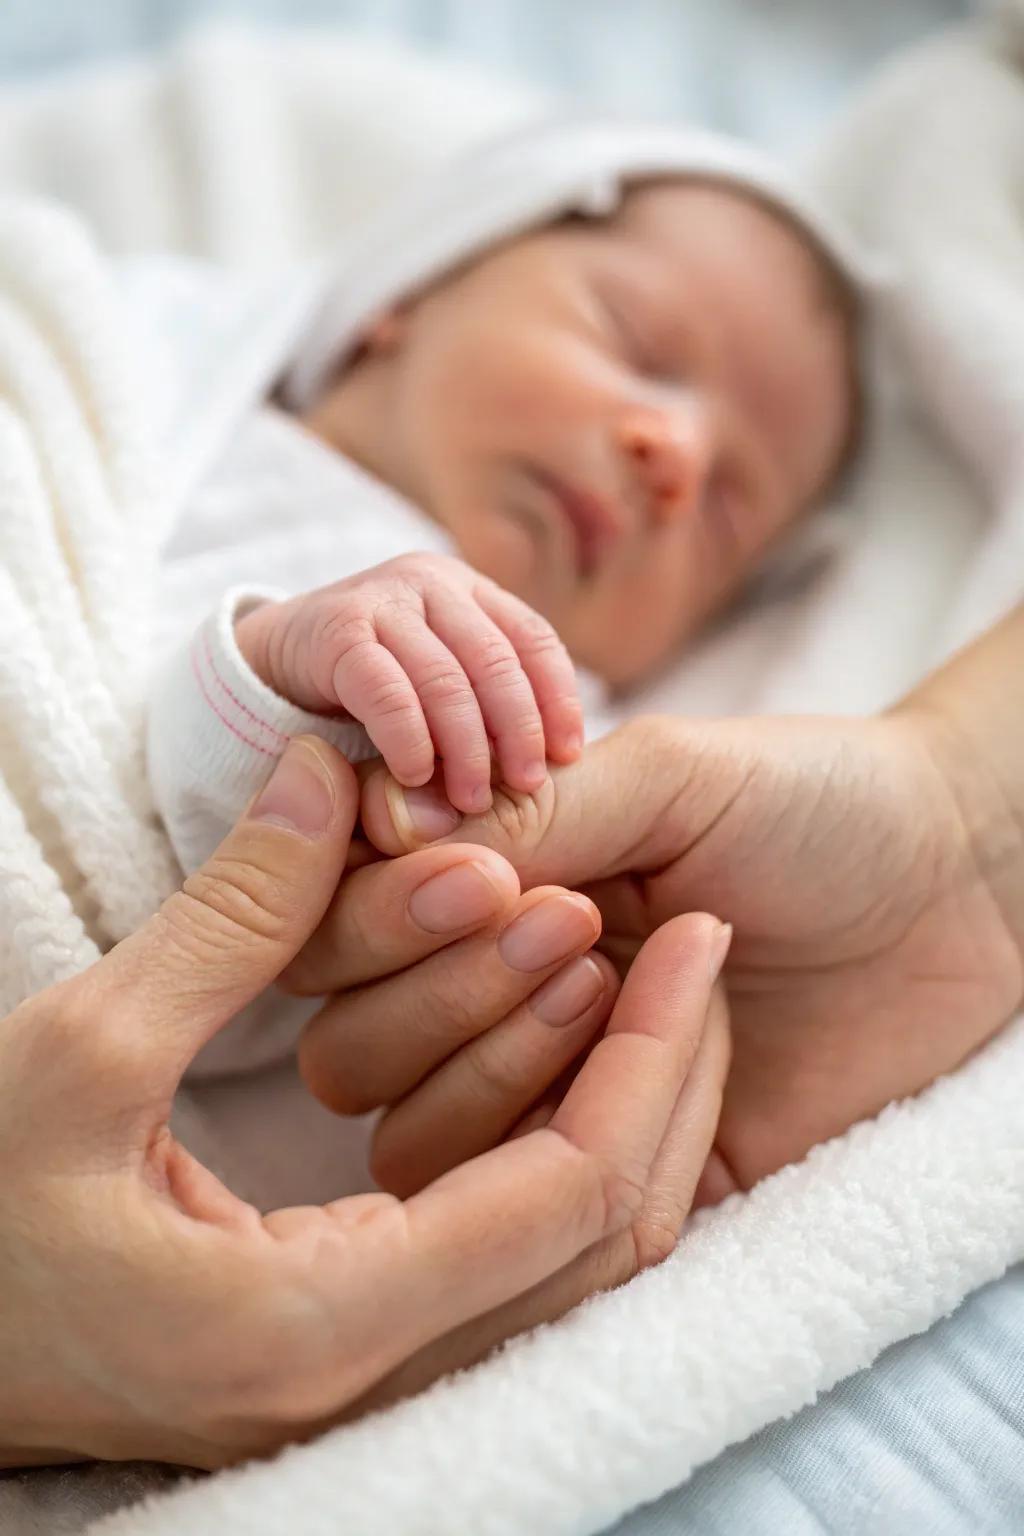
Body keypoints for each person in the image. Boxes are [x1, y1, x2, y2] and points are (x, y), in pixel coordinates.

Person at [3, 605, 1021, 1468]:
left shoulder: (561, 707)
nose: (668, 452)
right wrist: (290, 690)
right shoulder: (329, 518)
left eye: (728, 508)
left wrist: (959, 823)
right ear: (369, 354)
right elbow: (122, 727)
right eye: (637, 360)